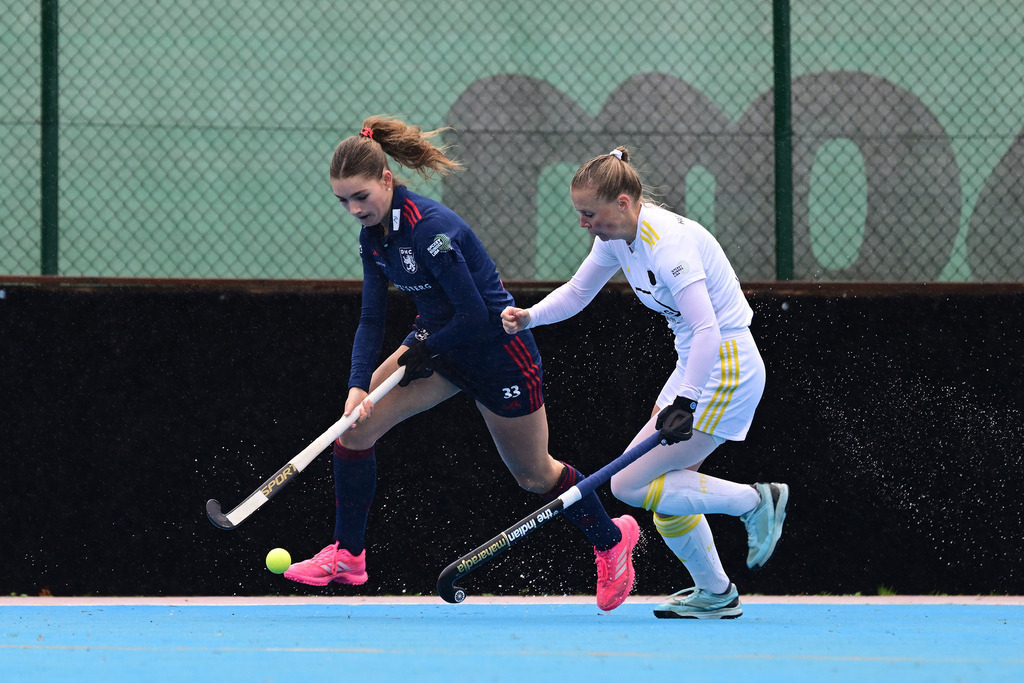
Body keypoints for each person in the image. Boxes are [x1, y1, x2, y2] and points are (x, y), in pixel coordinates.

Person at [283, 117, 640, 611]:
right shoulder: (374, 238)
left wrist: (421, 353)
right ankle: (348, 555)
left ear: (387, 180)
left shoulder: (432, 230)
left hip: (498, 353)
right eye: (343, 201)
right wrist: (357, 387)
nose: (353, 209)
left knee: (535, 475)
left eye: (361, 196)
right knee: (353, 429)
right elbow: (370, 317)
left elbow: (476, 316)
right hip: (438, 346)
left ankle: (612, 541)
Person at [501, 147, 789, 619]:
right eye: (580, 214)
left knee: (629, 484)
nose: (584, 223)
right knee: (667, 490)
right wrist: (529, 317)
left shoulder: (669, 243)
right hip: (695, 364)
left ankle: (756, 501)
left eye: (589, 213)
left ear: (623, 202)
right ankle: (716, 593)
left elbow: (708, 329)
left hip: (724, 367)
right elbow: (577, 292)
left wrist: (687, 400)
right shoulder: (615, 236)